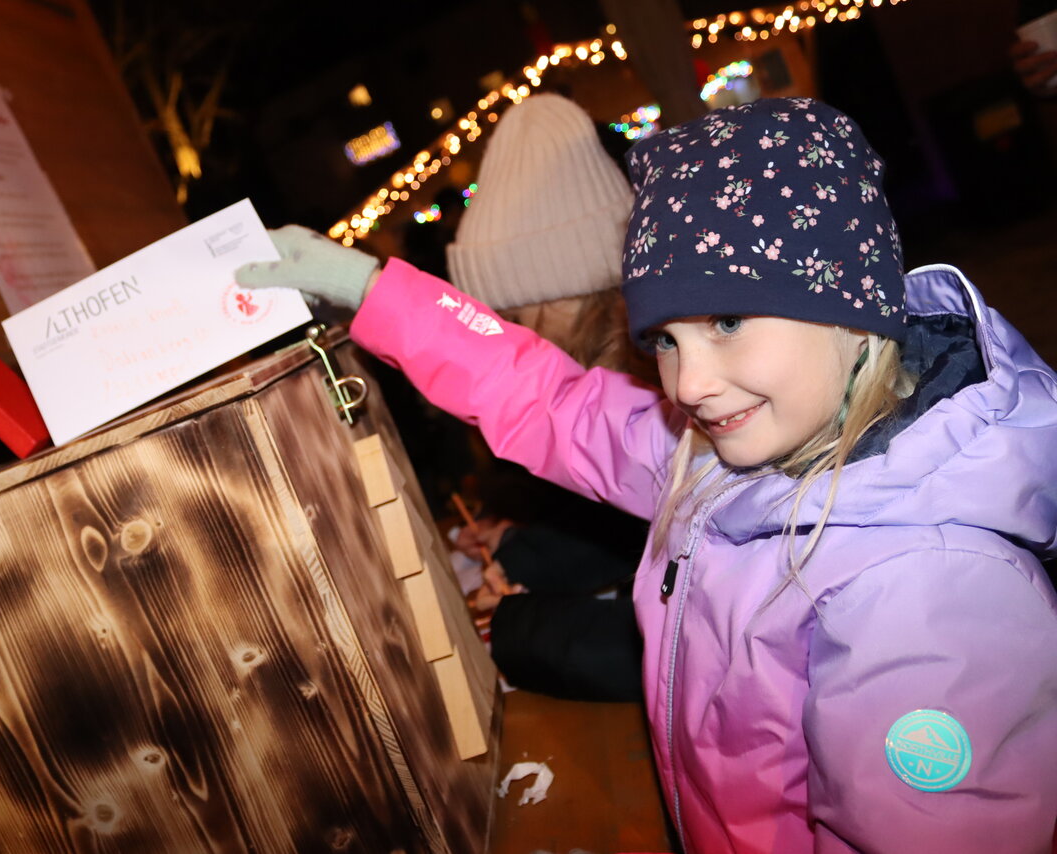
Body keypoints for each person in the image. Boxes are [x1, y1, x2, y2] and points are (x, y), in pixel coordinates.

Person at [236, 98, 1057, 852]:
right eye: (665, 340)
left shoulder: (930, 586)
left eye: (727, 322)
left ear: (852, 304)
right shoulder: (715, 455)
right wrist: (369, 287)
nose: (688, 383)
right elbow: (549, 399)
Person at [438, 92, 649, 701]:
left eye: (512, 314)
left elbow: (688, 646)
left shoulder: (656, 385)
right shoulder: (609, 374)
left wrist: (517, 631)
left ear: (564, 292)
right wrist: (524, 553)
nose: (506, 338)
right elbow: (628, 527)